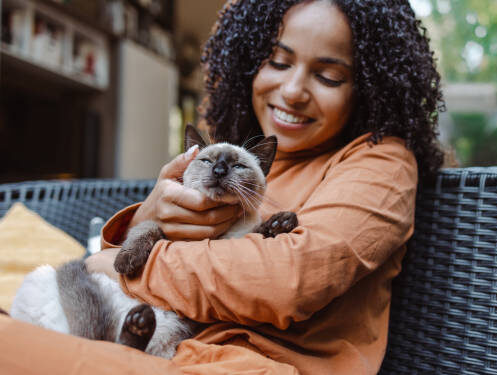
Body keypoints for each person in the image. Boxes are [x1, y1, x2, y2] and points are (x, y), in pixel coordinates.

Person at [0, 0, 443, 373]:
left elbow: (287, 280)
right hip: (162, 346)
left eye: (328, 76)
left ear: (366, 88)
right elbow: (128, 265)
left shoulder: (380, 160)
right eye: (278, 61)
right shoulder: (239, 160)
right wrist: (147, 217)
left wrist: (122, 266)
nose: (291, 91)